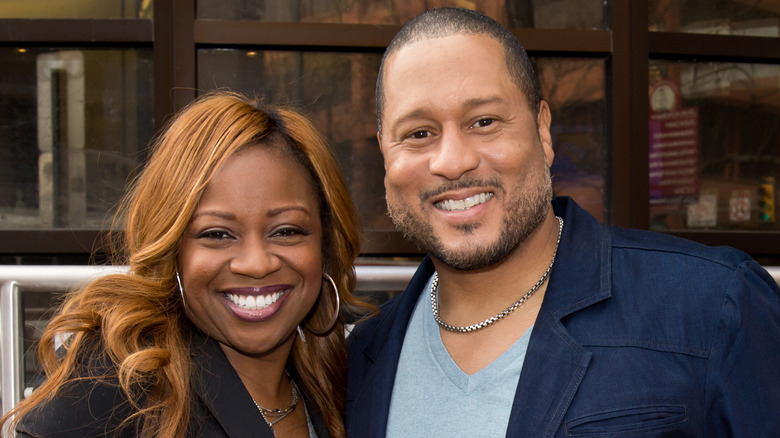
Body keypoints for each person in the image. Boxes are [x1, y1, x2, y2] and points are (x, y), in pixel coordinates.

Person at [345, 7, 780, 437]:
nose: (453, 161)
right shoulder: (362, 358)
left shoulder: (712, 306)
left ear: (542, 130)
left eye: (484, 122)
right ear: (385, 152)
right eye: (419, 133)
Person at [1, 91, 373, 438]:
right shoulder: (115, 385)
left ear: (325, 243)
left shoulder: (344, 383)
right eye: (217, 234)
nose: (256, 264)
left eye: (286, 231)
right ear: (172, 249)